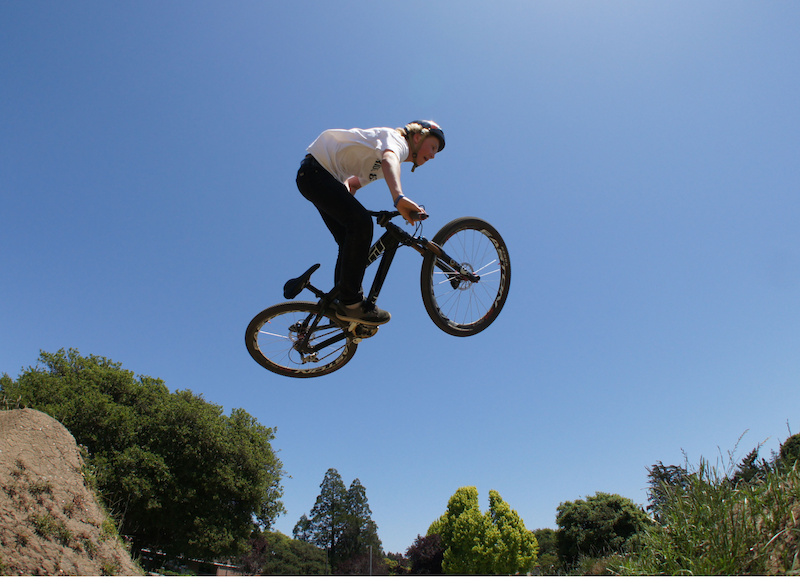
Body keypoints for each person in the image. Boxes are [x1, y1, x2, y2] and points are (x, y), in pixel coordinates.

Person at [296, 120, 445, 326]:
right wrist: (399, 197)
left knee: (349, 239)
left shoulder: (382, 165)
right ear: (418, 137)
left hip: (317, 178)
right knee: (362, 225)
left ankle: (339, 304)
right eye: (433, 147)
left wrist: (346, 200)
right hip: (317, 173)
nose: (434, 155)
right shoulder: (396, 140)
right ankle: (351, 303)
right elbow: (389, 158)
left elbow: (354, 183)